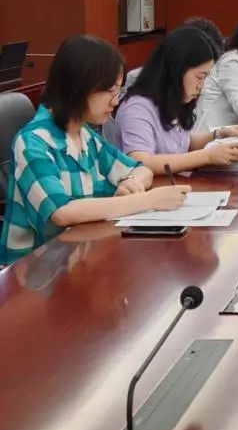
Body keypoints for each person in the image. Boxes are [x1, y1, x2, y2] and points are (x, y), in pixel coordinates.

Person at [2, 35, 190, 264]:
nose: (115, 101)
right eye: (110, 91)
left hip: (78, 256)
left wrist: (131, 183)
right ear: (79, 87)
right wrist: (148, 200)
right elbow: (62, 212)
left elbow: (141, 169)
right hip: (33, 270)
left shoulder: (85, 135)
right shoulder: (32, 142)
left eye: (118, 92)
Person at [112, 27, 238, 174]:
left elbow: (182, 143)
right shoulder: (137, 108)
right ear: (176, 70)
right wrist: (207, 156)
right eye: (199, 77)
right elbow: (142, 162)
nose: (201, 86)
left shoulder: (171, 100)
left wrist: (217, 135)